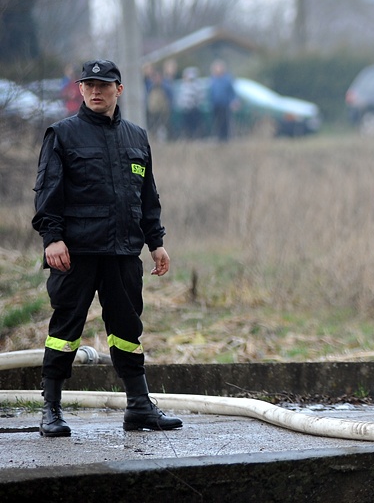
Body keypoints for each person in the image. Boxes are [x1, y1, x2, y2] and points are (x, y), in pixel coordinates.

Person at [32, 59, 183, 437]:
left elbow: (147, 196)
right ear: (80, 90)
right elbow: (47, 191)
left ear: (119, 89)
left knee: (128, 331)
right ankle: (50, 410)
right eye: (88, 85)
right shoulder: (62, 134)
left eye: (103, 84)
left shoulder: (136, 136)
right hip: (75, 254)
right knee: (64, 331)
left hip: (122, 254)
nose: (95, 91)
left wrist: (157, 242)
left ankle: (139, 408)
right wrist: (52, 238)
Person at [208, 59, 238, 141]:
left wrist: (234, 101)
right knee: (217, 122)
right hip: (215, 105)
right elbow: (210, 93)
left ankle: (226, 138)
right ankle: (218, 137)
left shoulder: (227, 79)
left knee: (225, 122)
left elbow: (232, 92)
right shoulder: (212, 80)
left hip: (225, 104)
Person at [176, 66, 205, 139]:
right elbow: (181, 98)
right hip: (186, 109)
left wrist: (196, 103)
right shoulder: (183, 86)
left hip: (194, 109)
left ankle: (196, 137)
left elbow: (200, 97)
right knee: (186, 125)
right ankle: (188, 137)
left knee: (195, 124)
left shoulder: (197, 85)